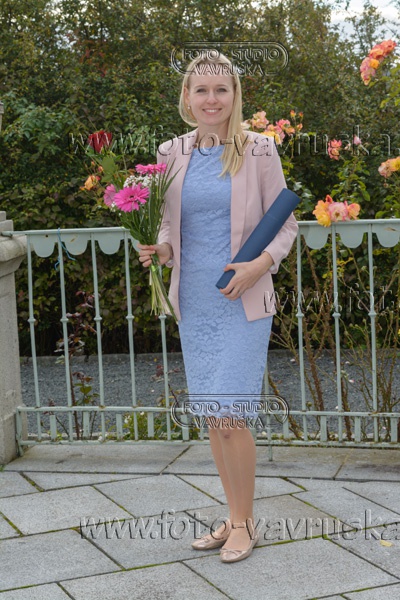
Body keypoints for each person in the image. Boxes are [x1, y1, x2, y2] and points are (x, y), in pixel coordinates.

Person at [137, 52, 298, 563]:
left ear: (235, 96)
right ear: (187, 97)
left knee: (231, 415)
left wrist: (258, 266)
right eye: (201, 90)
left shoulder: (259, 149)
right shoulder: (171, 152)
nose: (211, 99)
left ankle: (245, 524)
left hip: (243, 298)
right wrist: (161, 249)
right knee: (213, 415)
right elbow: (171, 225)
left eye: (221, 90)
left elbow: (286, 223)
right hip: (195, 300)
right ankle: (232, 515)